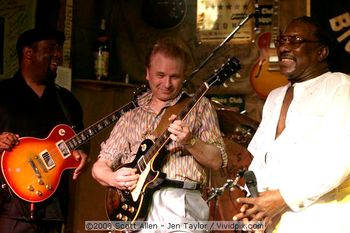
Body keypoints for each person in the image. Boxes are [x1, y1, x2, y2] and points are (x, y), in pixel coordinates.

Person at [92, 39, 227, 232]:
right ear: (147, 73)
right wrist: (113, 178)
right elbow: (99, 167)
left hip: (180, 203)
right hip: (135, 210)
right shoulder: (131, 116)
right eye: (160, 75)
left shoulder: (199, 106)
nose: (167, 84)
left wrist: (190, 141)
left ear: (184, 76)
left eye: (175, 77)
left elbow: (217, 161)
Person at [232, 16, 350, 233]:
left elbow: (340, 161)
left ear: (321, 52)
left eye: (295, 41)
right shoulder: (275, 97)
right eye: (282, 40)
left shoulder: (340, 86)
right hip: (274, 221)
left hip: (323, 220)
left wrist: (282, 199)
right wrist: (255, 206)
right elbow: (258, 158)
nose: (285, 47)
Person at [0, 28, 89, 232]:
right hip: (9, 209)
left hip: (53, 211)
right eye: (50, 48)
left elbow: (81, 144)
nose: (57, 54)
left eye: (58, 49)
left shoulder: (67, 102)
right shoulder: (2, 93)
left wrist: (82, 155)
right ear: (28, 53)